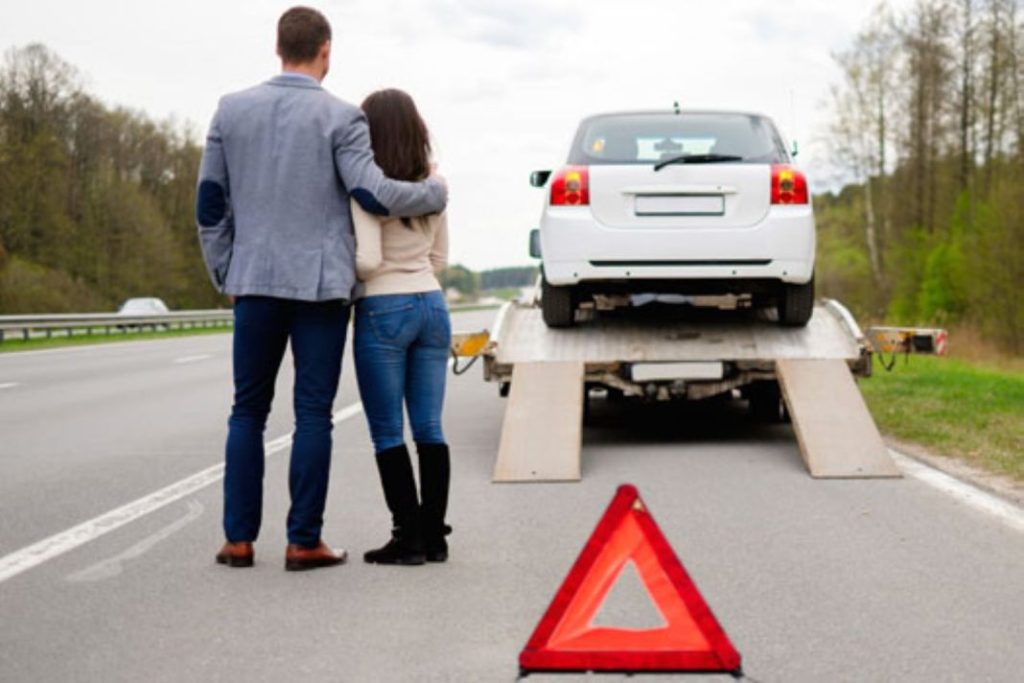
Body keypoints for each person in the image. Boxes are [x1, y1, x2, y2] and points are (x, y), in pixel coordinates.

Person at [196, 8, 447, 571]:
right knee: (313, 414)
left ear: (278, 46)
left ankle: (238, 539)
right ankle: (302, 540)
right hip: (321, 289)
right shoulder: (341, 118)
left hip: (254, 283)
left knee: (247, 412)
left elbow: (211, 204)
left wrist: (225, 273)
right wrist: (434, 194)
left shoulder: (230, 111)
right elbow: (375, 192)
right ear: (326, 49)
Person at [352, 89, 453, 566]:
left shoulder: (365, 188)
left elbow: (369, 260)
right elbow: (440, 259)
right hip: (432, 303)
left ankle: (406, 538)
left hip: (383, 306)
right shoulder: (433, 184)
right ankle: (434, 536)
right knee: (430, 427)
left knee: (388, 430)